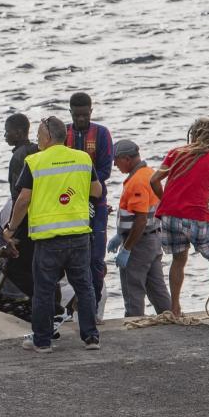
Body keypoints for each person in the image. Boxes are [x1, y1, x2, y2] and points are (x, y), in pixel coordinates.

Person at [4, 116, 99, 352]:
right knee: (84, 287)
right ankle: (91, 338)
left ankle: (43, 341)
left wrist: (11, 229)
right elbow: (96, 190)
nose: (37, 141)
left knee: (43, 291)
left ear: (47, 137)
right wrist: (70, 190)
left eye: (38, 136)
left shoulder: (35, 161)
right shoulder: (82, 158)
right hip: (78, 236)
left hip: (48, 240)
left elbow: (24, 199)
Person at [149, 116, 209, 322]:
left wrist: (167, 201)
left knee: (178, 260)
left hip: (168, 217)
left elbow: (153, 180)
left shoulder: (176, 153)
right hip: (197, 217)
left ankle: (175, 309)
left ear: (193, 133)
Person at [65, 92, 114, 309]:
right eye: (77, 116)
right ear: (71, 113)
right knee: (72, 257)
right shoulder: (63, 133)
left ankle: (93, 305)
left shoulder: (102, 134)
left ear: (91, 112)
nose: (81, 119)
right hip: (68, 203)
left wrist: (84, 184)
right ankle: (73, 304)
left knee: (96, 258)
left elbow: (105, 170)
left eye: (85, 115)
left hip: (96, 202)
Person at [112, 139, 170, 316]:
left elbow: (140, 219)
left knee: (133, 289)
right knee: (157, 288)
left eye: (117, 160)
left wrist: (127, 248)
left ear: (127, 159)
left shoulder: (137, 181)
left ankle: (134, 322)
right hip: (153, 240)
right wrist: (119, 234)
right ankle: (170, 317)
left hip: (139, 243)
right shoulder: (149, 173)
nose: (115, 164)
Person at [5, 113, 39, 199]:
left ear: (18, 133)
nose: (5, 135)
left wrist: (15, 211)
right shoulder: (38, 149)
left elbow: (16, 192)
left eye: (7, 131)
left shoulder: (17, 157)